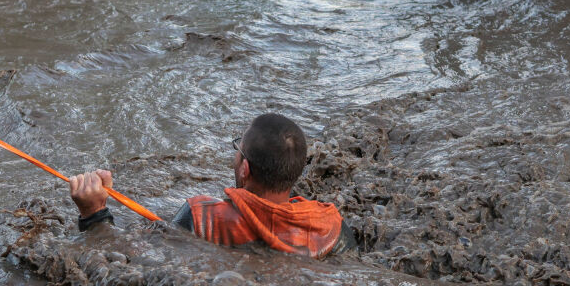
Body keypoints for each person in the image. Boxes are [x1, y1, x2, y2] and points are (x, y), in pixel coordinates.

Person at [70, 114, 357, 258]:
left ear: (244, 169)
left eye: (238, 149)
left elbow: (129, 260)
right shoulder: (332, 227)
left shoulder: (200, 218)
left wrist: (94, 216)